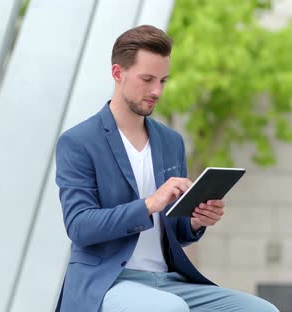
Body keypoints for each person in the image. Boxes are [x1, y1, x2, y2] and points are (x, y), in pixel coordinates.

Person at [54, 25, 279, 312]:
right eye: (147, 79)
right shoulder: (79, 142)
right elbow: (80, 226)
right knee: (169, 309)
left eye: (163, 80)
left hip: (169, 280)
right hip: (108, 282)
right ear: (117, 73)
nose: (156, 91)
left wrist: (196, 221)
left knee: (262, 310)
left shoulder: (170, 141)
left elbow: (173, 230)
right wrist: (149, 203)